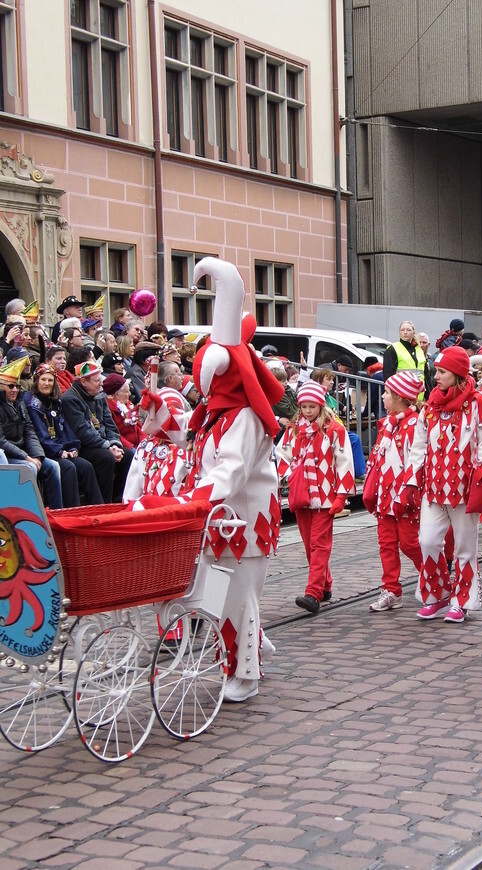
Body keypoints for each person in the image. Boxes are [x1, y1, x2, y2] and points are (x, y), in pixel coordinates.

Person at [175, 258, 286, 703]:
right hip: (220, 519)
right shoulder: (212, 416)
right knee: (218, 596)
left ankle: (246, 673)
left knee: (238, 598)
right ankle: (245, 653)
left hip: (246, 521)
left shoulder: (244, 416)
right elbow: (203, 463)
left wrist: (195, 499)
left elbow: (231, 469)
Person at [405, 345, 482, 623]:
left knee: (464, 548)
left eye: (442, 372)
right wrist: (412, 479)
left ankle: (463, 600)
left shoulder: (481, 405)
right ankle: (437, 594)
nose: (436, 376)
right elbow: (419, 446)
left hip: (466, 490)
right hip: (433, 489)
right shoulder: (430, 405)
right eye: (437, 371)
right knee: (428, 541)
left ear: (458, 375)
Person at [275, 381, 355, 615]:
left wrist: (341, 494)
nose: (308, 411)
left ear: (321, 405)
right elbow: (281, 457)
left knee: (319, 545)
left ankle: (313, 593)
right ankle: (325, 583)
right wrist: (288, 475)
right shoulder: (293, 431)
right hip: (302, 495)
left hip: (325, 496)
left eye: (312, 406)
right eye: (305, 407)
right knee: (310, 545)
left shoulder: (334, 431)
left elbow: (344, 462)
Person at [365, 371, 423, 613]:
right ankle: (391, 589)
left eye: (388, 393)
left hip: (405, 497)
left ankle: (433, 575)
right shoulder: (388, 424)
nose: (384, 397)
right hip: (385, 496)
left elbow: (415, 461)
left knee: (410, 543)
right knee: (387, 544)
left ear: (400, 397)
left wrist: (408, 491)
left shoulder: (413, 425)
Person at [24, 363, 103, 506]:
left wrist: (72, 447)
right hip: (45, 451)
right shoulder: (31, 403)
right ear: (36, 381)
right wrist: (59, 451)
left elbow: (65, 429)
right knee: (68, 468)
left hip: (61, 449)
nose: (47, 383)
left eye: (50, 380)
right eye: (43, 380)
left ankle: (99, 508)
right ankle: (71, 511)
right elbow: (39, 434)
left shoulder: (56, 402)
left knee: (85, 466)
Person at [61, 360, 133, 503]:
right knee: (105, 457)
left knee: (128, 455)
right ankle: (102, 503)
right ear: (84, 382)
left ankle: (118, 500)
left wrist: (115, 445)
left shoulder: (99, 396)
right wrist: (108, 447)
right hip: (82, 446)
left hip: (103, 442)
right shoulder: (70, 399)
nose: (101, 384)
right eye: (96, 381)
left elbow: (110, 425)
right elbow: (83, 432)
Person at [0, 356, 64, 508]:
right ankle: (27, 514)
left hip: (23, 452)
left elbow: (29, 431)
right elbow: (1, 440)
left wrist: (37, 455)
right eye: (10, 386)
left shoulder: (20, 403)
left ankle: (56, 512)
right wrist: (26, 457)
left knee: (52, 466)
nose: (15, 389)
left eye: (16, 386)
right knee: (29, 468)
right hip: (8, 455)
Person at [124, 361, 192, 500]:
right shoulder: (185, 451)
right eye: (178, 373)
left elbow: (130, 496)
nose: (181, 376)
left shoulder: (144, 447)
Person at [103, 374, 143, 450]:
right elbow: (116, 434)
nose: (130, 394)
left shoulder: (126, 404)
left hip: (138, 445)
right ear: (116, 395)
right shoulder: (109, 409)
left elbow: (138, 427)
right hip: (125, 447)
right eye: (126, 391)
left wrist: (144, 443)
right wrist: (132, 449)